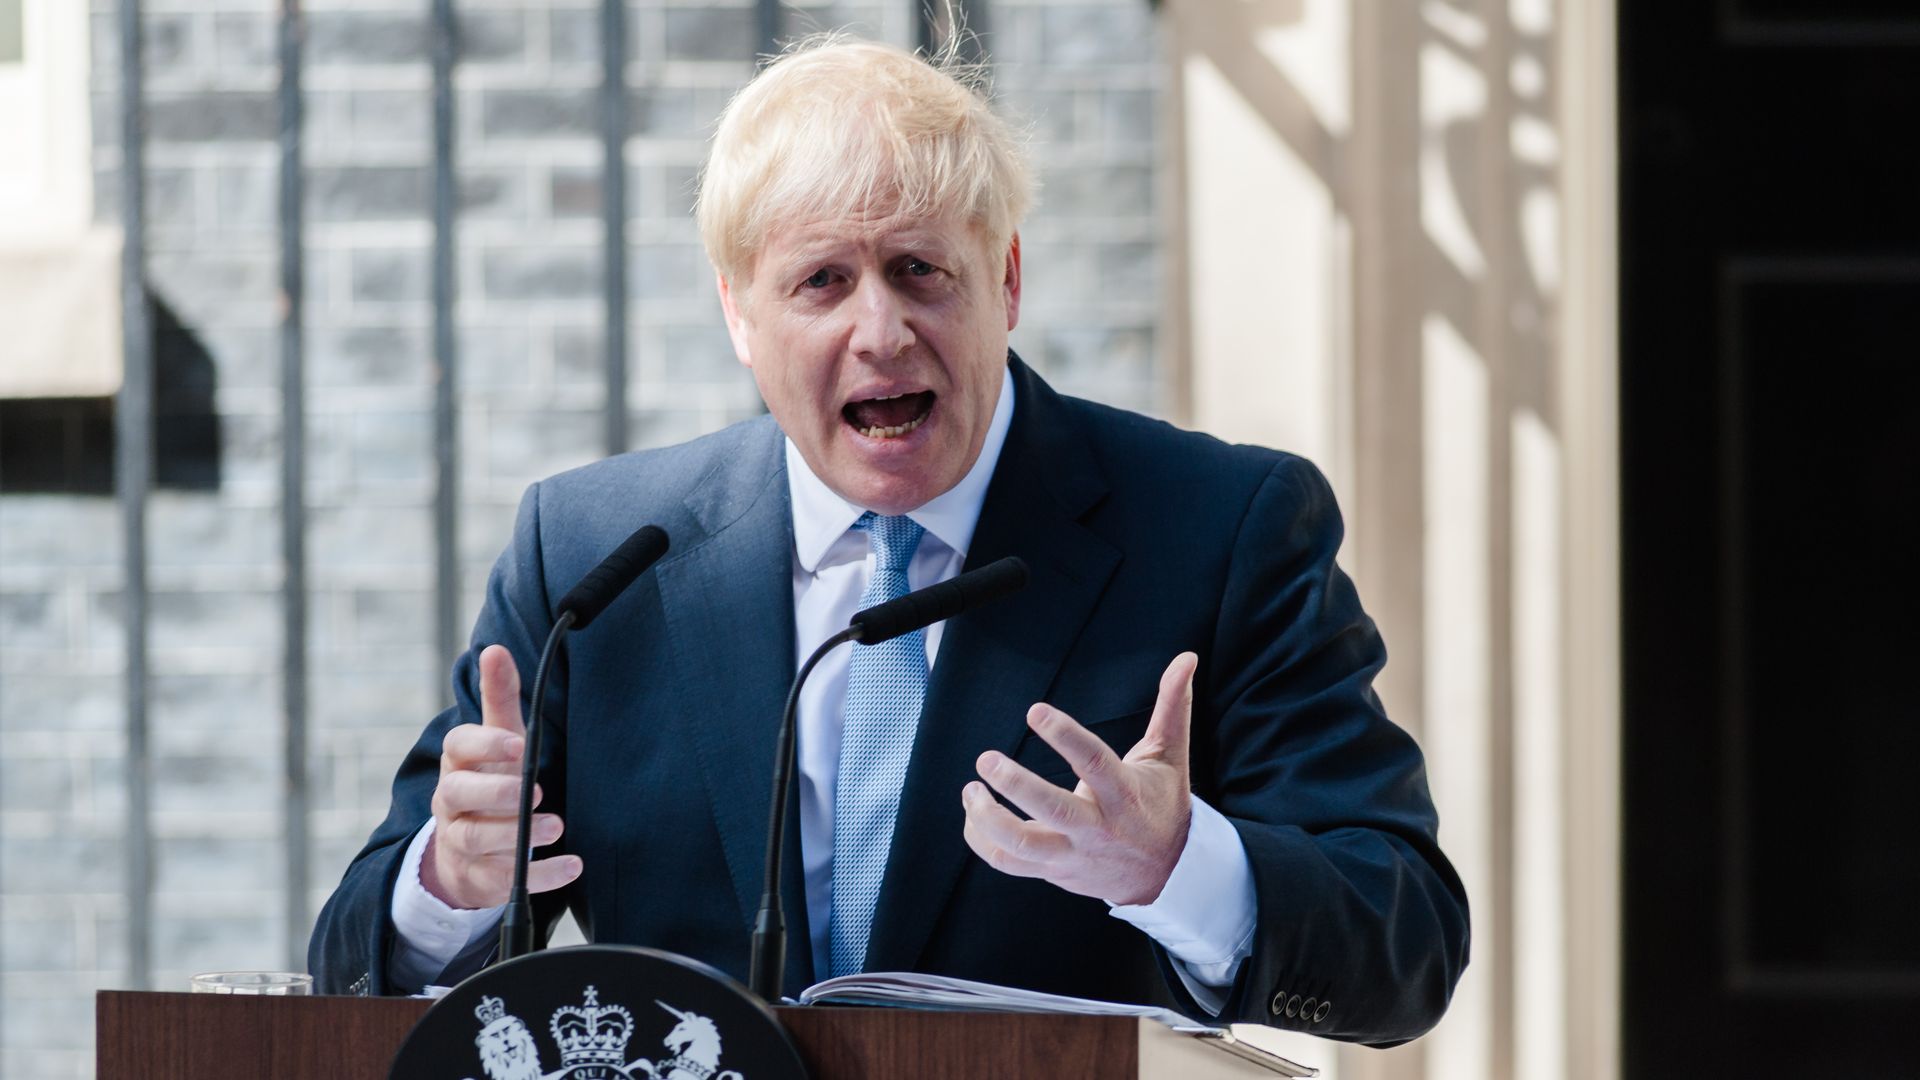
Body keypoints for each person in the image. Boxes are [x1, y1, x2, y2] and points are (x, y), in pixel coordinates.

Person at [309, 36, 1468, 1045]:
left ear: (1004, 279)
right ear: (739, 316)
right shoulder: (595, 560)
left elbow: (1405, 943)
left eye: (921, 271)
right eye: (821, 281)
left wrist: (1178, 868)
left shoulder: (1220, 527)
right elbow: (358, 951)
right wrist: (446, 889)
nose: (882, 332)